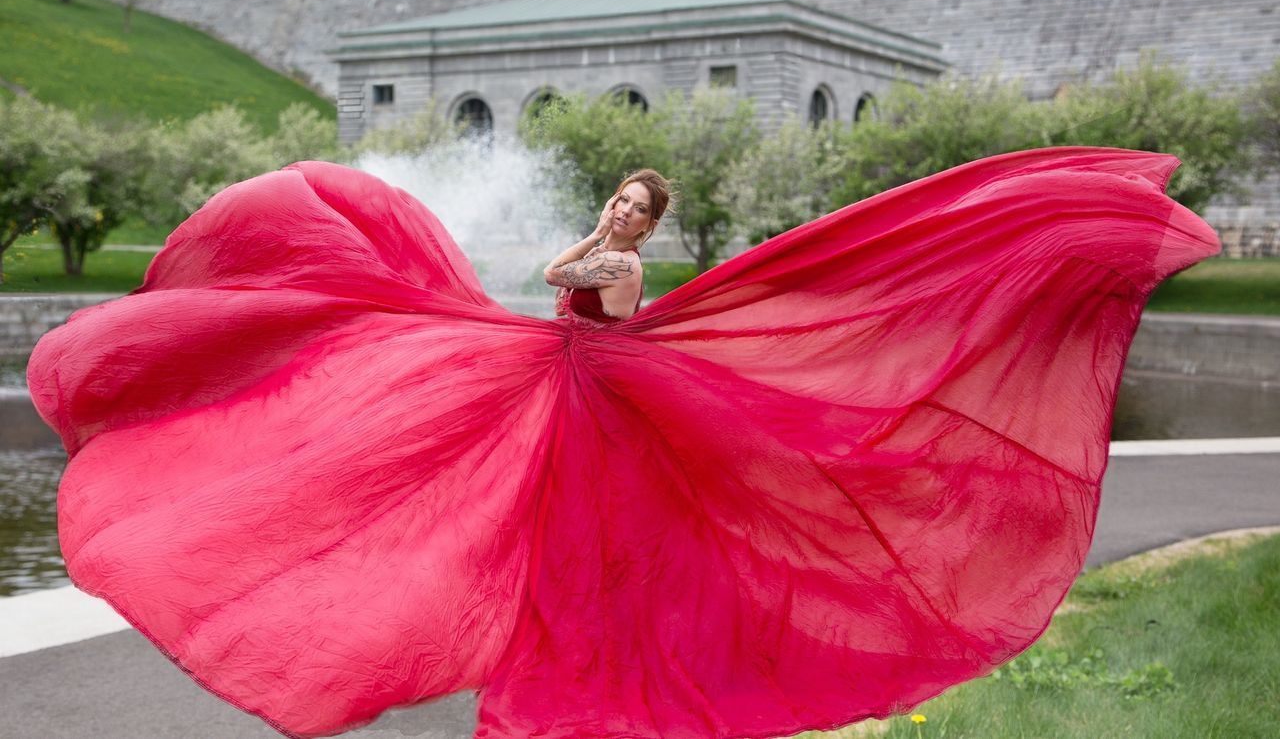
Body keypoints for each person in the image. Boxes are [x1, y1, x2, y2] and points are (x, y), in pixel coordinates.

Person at [27, 147, 1221, 739]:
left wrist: (599, 272)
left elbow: (589, 290)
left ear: (649, 228)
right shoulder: (602, 247)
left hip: (590, 386)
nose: (622, 216)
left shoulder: (624, 262)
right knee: (469, 488)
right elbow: (556, 280)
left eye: (638, 214)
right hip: (553, 368)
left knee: (595, 535)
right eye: (621, 203)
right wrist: (574, 272)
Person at [544, 168, 673, 323]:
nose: (626, 211)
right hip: (577, 340)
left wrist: (597, 233)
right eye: (624, 199)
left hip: (595, 346)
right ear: (613, 201)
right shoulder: (599, 252)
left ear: (650, 225)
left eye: (640, 209)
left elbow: (551, 274)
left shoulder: (620, 262)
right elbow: (560, 307)